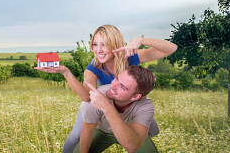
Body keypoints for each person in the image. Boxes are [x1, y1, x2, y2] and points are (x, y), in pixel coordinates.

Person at [34, 25, 177, 153]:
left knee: (153, 130)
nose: (98, 50)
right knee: (76, 135)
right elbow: (86, 97)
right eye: (95, 44)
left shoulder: (131, 57)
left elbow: (171, 49)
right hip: (104, 102)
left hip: (130, 103)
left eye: (104, 45)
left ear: (115, 45)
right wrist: (66, 72)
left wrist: (141, 40)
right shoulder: (93, 68)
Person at [75, 65, 157, 153]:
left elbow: (132, 146)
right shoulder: (95, 99)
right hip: (101, 131)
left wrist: (107, 107)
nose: (113, 85)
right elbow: (87, 131)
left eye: (122, 87)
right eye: (117, 78)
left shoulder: (146, 106)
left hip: (129, 131)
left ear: (136, 96)